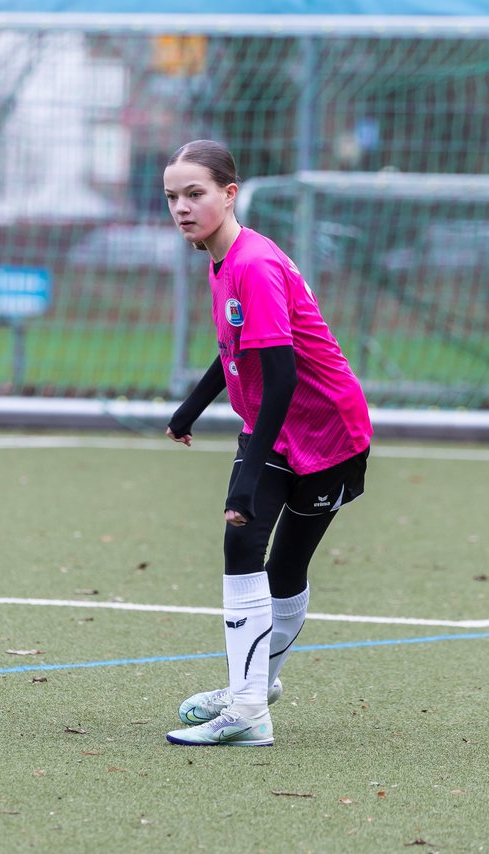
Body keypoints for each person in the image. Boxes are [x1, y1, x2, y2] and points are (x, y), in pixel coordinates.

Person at [161, 140, 372, 747]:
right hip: (275, 424)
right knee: (242, 543)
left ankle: (253, 692)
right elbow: (238, 345)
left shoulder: (251, 263)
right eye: (173, 197)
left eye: (195, 194)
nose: (182, 207)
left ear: (229, 195)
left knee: (285, 567)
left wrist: (250, 473)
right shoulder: (221, 256)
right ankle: (250, 703)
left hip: (329, 432)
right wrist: (192, 406)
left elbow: (280, 376)